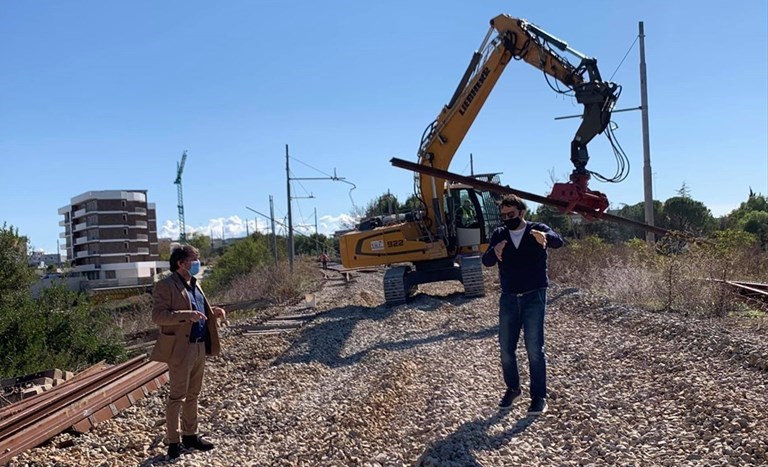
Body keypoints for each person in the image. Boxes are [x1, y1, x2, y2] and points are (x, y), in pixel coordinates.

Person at [481, 194, 563, 416]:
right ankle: (513, 388)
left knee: (534, 349)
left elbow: (557, 240)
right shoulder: (499, 234)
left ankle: (538, 397)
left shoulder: (537, 229)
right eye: (503, 216)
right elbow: (486, 261)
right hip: (508, 298)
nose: (507, 219)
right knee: (506, 349)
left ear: (522, 212)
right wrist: (494, 251)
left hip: (533, 296)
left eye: (511, 214)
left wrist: (544, 236)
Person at [150, 245, 226, 459]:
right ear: (181, 263)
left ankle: (190, 436)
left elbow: (199, 309)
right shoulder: (165, 285)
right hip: (181, 349)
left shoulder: (195, 283)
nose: (197, 262)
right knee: (177, 397)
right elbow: (158, 316)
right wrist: (186, 315)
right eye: (194, 259)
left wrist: (214, 312)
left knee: (193, 394)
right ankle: (174, 443)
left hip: (200, 345)